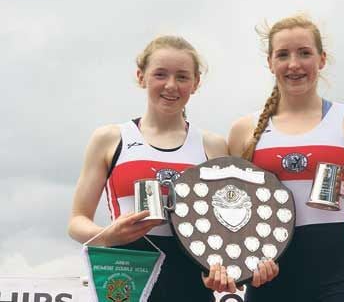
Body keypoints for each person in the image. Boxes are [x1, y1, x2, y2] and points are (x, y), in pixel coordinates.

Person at [228, 14, 344, 302]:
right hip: (267, 280)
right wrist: (242, 263)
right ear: (270, 62)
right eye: (283, 55)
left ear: (321, 59)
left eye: (304, 53)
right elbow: (228, 216)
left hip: (335, 280)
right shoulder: (243, 130)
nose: (294, 64)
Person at [68, 35, 237, 301]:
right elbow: (76, 222)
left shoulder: (213, 146)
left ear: (196, 83)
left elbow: (225, 227)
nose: (171, 85)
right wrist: (107, 235)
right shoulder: (110, 139)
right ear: (141, 77)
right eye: (160, 74)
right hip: (128, 284)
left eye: (182, 77)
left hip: (191, 286)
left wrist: (221, 267)